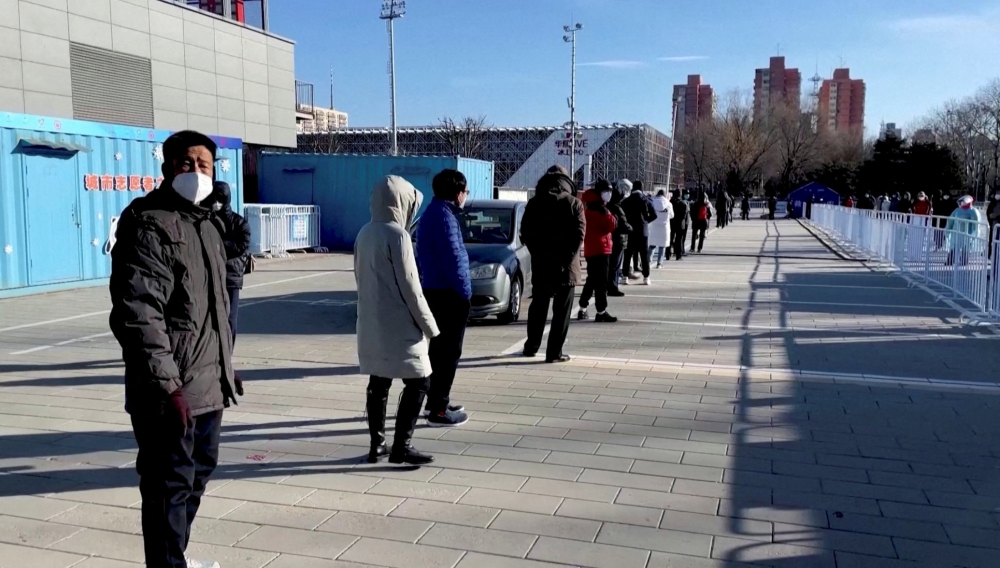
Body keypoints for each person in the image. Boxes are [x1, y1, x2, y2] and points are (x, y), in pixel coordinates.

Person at [109, 130, 239, 568]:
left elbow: (214, 305)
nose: (196, 172)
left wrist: (225, 365)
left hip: (207, 384)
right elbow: (139, 313)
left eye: (205, 164)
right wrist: (168, 385)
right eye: (187, 163)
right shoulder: (149, 222)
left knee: (196, 477)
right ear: (166, 169)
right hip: (169, 391)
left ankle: (173, 558)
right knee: (169, 486)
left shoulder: (206, 223)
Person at [356, 175, 439, 465]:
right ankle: (402, 445)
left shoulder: (364, 233)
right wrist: (430, 327)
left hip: (370, 322)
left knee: (378, 381)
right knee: (420, 382)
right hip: (400, 325)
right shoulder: (398, 236)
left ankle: (376, 444)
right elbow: (411, 288)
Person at [415, 169, 472, 428]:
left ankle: (437, 401)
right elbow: (454, 260)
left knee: (439, 351)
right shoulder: (445, 218)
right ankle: (438, 409)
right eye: (465, 192)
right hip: (449, 293)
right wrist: (465, 293)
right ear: (458, 193)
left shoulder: (433, 213)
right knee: (448, 352)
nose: (466, 196)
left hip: (435, 289)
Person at [520, 166, 585, 362]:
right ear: (567, 182)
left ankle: (531, 346)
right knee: (562, 311)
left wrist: (539, 255)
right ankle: (554, 352)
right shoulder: (575, 203)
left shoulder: (533, 203)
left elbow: (525, 233)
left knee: (539, 306)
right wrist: (565, 260)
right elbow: (579, 235)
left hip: (541, 264)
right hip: (566, 268)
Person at [205, 181, 251, 346]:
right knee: (210, 315)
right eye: (214, 198)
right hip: (210, 274)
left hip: (231, 275)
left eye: (221, 199)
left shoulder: (239, 222)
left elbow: (242, 245)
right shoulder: (206, 220)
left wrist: (220, 244)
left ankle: (228, 350)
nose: (217, 202)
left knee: (230, 317)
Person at [577, 185, 618, 322]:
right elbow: (612, 225)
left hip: (590, 248)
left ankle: (582, 307)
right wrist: (610, 214)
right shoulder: (600, 210)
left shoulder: (587, 208)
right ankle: (601, 311)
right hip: (601, 248)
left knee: (592, 279)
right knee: (601, 282)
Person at [622, 180, 658, 285]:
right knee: (644, 255)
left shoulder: (626, 201)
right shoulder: (646, 200)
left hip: (629, 230)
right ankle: (646, 277)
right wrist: (646, 221)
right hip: (643, 230)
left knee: (628, 254)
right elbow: (654, 215)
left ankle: (625, 276)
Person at [605, 179, 631, 296]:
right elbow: (623, 225)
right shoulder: (618, 208)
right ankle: (613, 287)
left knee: (609, 264)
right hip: (619, 238)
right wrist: (630, 228)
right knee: (615, 265)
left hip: (608, 238)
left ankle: (607, 286)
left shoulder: (606, 206)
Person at [945, 195, 983, 266]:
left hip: (967, 234)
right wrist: (947, 230)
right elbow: (950, 221)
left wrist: (975, 234)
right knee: (953, 247)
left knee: (966, 249)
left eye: (962, 202)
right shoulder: (957, 210)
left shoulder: (973, 211)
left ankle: (964, 262)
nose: (960, 203)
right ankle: (950, 261)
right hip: (955, 233)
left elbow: (976, 225)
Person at [647, 189, 674, 268]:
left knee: (652, 245)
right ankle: (659, 263)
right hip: (664, 227)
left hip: (653, 226)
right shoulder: (668, 204)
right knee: (662, 246)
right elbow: (672, 215)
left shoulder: (652, 202)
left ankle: (648, 260)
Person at [670, 190, 689, 260]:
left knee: (670, 238)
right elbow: (685, 215)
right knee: (679, 239)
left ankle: (668, 254)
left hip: (672, 222)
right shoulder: (683, 203)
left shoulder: (670, 203)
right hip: (680, 223)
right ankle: (678, 255)